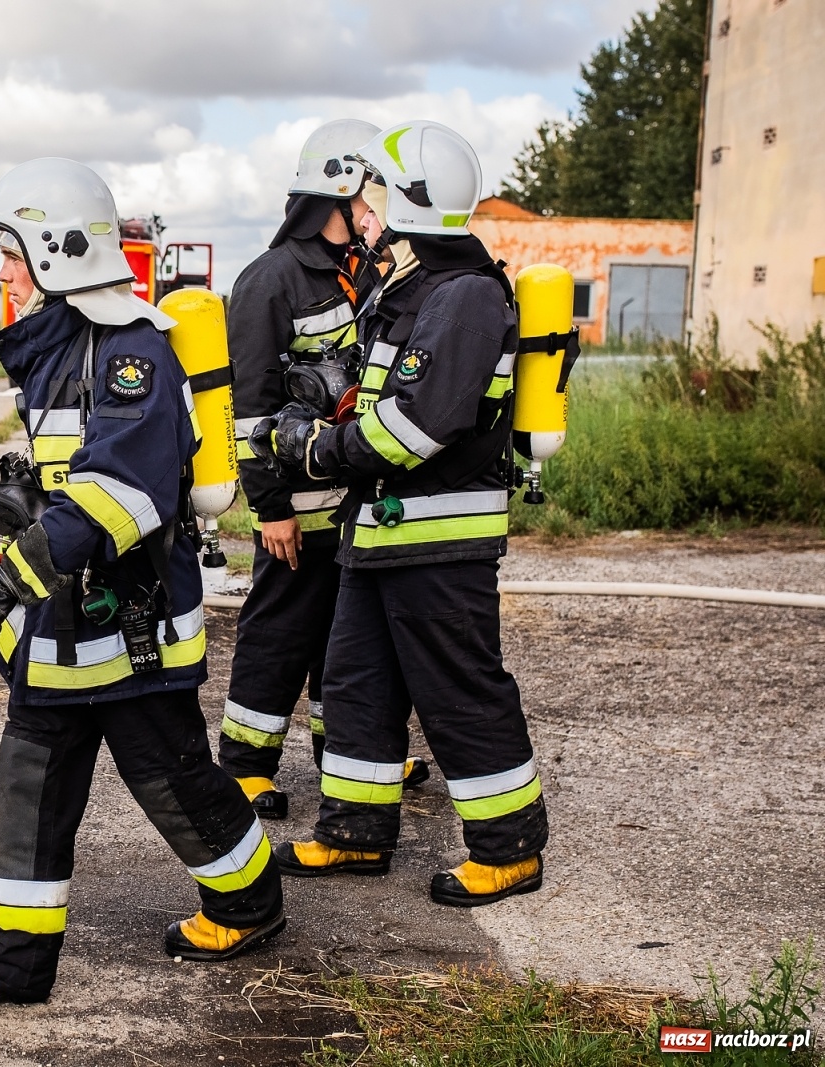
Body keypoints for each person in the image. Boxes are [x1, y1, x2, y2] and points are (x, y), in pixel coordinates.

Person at [0, 158, 284, 1014]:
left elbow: (123, 490)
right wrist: (16, 500)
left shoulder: (133, 351)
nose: (3, 271)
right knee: (30, 780)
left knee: (173, 776)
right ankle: (12, 961)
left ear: (57, 252)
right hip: (63, 615)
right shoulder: (58, 347)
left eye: (13, 253)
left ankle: (250, 901)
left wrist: (2, 584)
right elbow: (70, 476)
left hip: (130, 621)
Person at [251, 121, 548, 905]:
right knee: (356, 684)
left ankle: (510, 846)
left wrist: (320, 449)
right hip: (378, 536)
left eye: (371, 191)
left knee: (459, 690)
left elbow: (414, 426)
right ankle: (354, 831)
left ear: (410, 201)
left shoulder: (467, 296)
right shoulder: (409, 290)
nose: (359, 207)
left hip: (439, 544)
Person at [220, 119, 429, 821]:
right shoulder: (271, 280)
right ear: (335, 194)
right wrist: (268, 502)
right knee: (280, 633)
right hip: (296, 509)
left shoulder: (369, 270)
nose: (378, 208)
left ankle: (347, 750)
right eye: (369, 193)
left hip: (355, 506)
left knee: (348, 641)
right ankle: (246, 764)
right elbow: (250, 407)